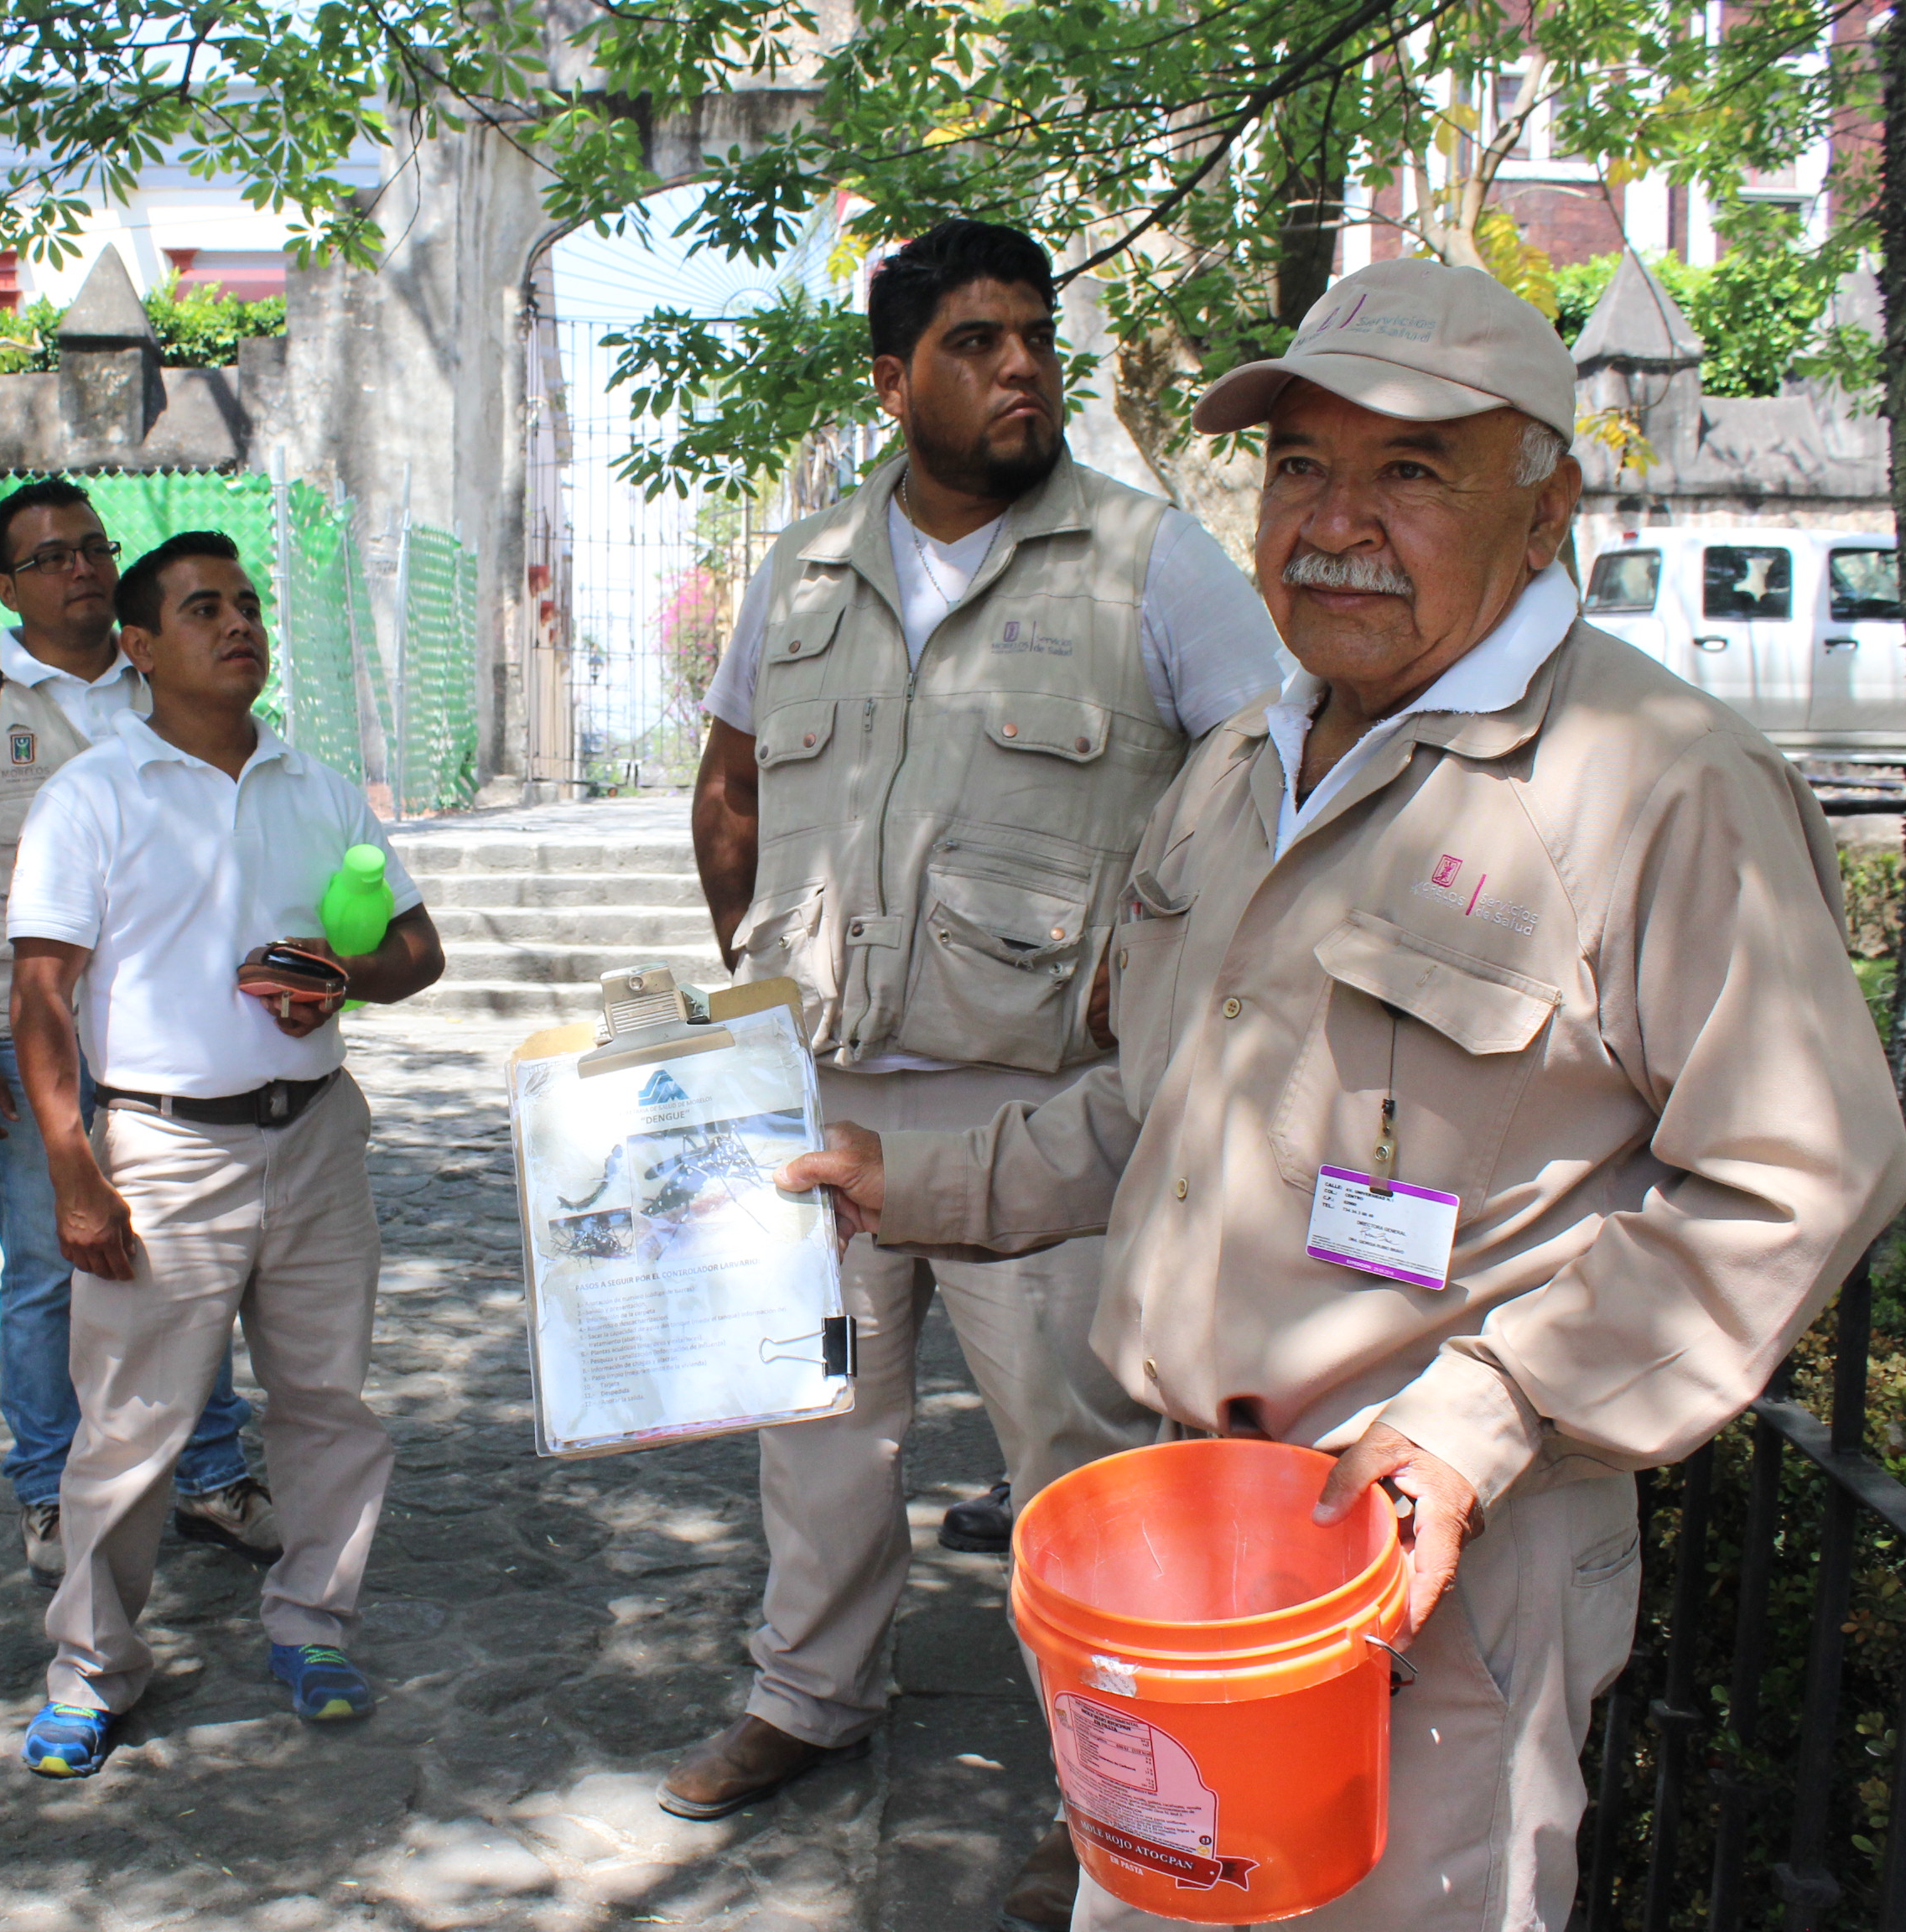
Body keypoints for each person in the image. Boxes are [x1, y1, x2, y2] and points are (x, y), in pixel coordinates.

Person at [782, 257, 1906, 1928]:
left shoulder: (1660, 784)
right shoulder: (1248, 761)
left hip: (1438, 1565)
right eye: (1302, 464)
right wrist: (897, 1176)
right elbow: (1155, 1116)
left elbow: (1795, 1180)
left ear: (1548, 509)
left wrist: (1479, 1425)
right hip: (1184, 1547)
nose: (1334, 519)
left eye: (1409, 469)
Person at [670, 216, 1286, 1924]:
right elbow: (727, 794)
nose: (1021, 367)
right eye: (976, 343)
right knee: (817, 1436)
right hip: (823, 1101)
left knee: (1079, 1471)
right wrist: (754, 990)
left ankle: (1111, 1790)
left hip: (1048, 1121)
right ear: (894, 381)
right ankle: (806, 1697)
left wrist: (1151, 972)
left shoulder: (1154, 567)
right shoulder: (799, 571)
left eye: (1035, 338)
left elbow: (1271, 801)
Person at [0, 530, 444, 1774]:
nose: (238, 623)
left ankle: (314, 1623)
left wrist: (338, 981)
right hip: (161, 1151)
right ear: (139, 648)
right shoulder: (92, 795)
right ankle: (92, 1668)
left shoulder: (316, 786)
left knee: (327, 1408)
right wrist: (72, 1165)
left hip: (314, 1139)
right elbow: (42, 992)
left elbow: (420, 953)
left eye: (247, 604)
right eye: (204, 608)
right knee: (131, 1429)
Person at [0, 477, 278, 1587]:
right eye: (51, 556)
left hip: (170, 1037)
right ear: (8, 586)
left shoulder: (163, 688)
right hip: (25, 1038)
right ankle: (50, 1489)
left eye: (93, 548)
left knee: (189, 1258)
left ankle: (207, 1472)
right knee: (48, 1270)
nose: (81, 570)